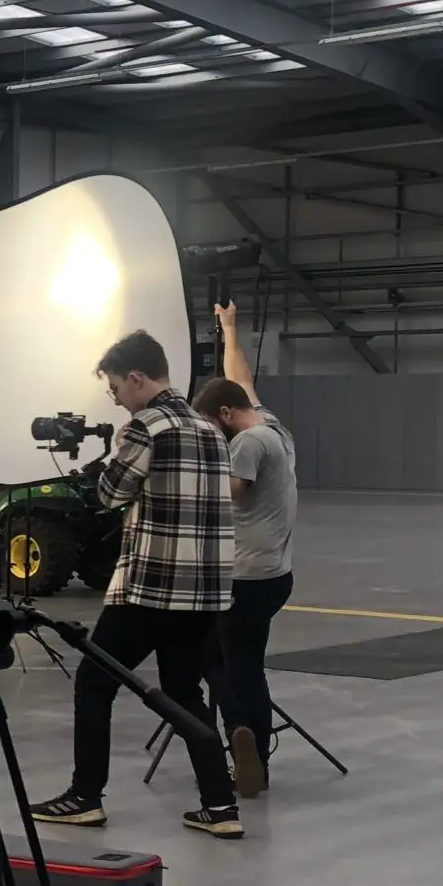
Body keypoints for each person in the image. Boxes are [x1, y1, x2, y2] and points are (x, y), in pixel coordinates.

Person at [29, 329, 243, 838]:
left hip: (152, 586)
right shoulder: (209, 427)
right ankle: (219, 806)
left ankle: (85, 796)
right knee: (184, 692)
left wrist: (103, 459)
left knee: (95, 681)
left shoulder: (148, 426)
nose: (117, 400)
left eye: (115, 389)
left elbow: (110, 494)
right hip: (205, 589)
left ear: (137, 377)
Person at [191, 301, 295, 800]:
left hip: (245, 577)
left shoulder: (248, 445)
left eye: (213, 425)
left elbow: (227, 492)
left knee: (226, 664)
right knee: (245, 661)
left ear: (227, 416)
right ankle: (252, 748)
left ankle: (241, 737)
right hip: (276, 574)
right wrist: (230, 329)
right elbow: (241, 378)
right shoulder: (273, 426)